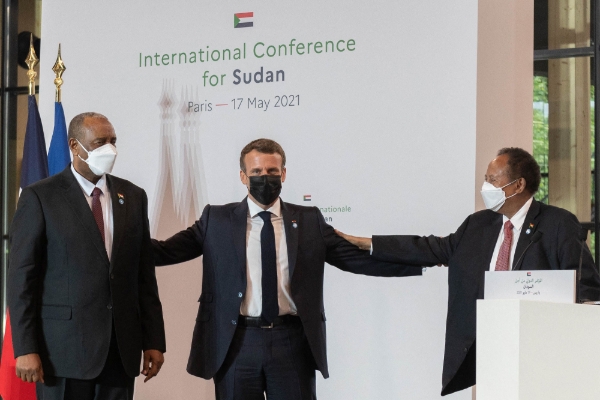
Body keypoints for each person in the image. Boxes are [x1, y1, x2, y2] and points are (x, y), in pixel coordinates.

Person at [152, 138, 421, 400]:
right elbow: (166, 251)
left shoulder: (308, 220)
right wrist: (115, 243)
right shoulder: (217, 219)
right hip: (236, 342)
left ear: (283, 174)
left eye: (271, 171)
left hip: (291, 342)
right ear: (243, 177)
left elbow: (357, 260)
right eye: (256, 171)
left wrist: (423, 260)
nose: (264, 178)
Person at [336, 147, 600, 396]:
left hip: (538, 350)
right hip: (486, 345)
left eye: (493, 180)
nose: (486, 187)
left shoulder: (557, 223)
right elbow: (430, 248)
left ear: (518, 185)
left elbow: (584, 285)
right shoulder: (478, 224)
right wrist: (369, 243)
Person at [8, 112, 166, 400]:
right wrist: (26, 348)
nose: (110, 149)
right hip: (62, 355)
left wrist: (154, 340)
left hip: (120, 352)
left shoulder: (132, 196)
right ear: (74, 145)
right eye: (100, 142)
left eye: (113, 141)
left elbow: (143, 275)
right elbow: (21, 281)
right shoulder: (40, 197)